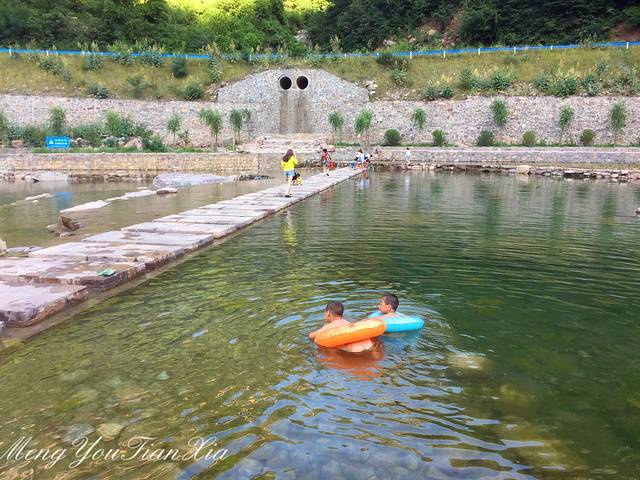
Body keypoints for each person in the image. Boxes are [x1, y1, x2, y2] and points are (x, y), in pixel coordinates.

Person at [309, 302, 375, 353]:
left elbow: (311, 336)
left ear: (328, 313)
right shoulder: (347, 322)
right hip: (369, 346)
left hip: (353, 351)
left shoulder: (329, 326)